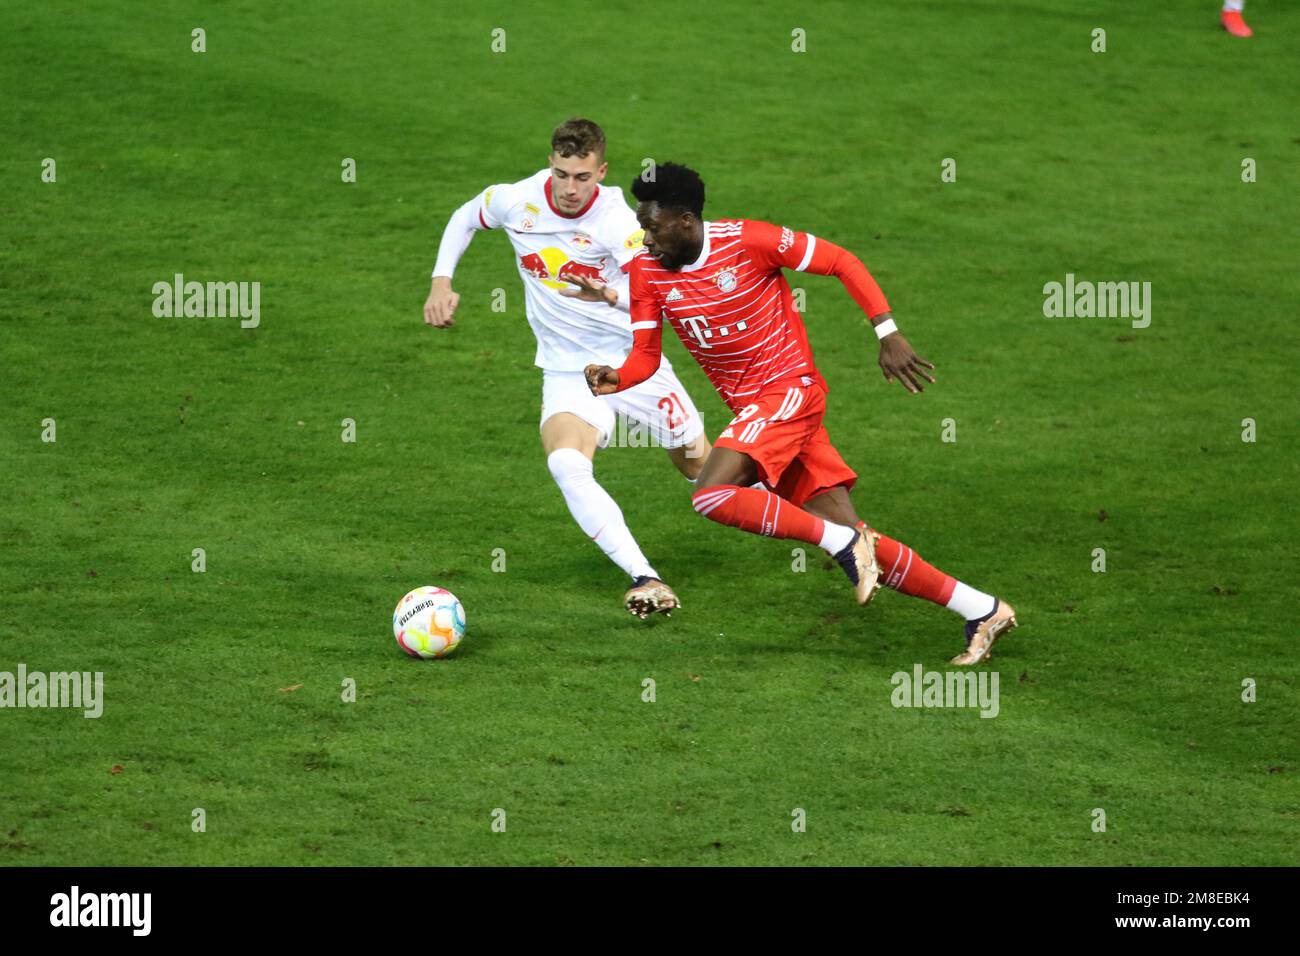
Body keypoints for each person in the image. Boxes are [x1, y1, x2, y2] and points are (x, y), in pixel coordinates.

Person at [581, 163, 1018, 664]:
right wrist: (617, 378)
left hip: (790, 391)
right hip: (762, 416)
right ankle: (982, 609)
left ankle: (840, 544)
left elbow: (842, 261)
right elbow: (646, 357)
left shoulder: (750, 241)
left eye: (653, 227)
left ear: (684, 221)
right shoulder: (646, 273)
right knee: (862, 544)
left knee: (710, 496)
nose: (645, 238)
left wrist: (887, 332)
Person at [425, 121, 711, 618]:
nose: (571, 188)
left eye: (582, 177)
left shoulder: (621, 226)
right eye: (562, 174)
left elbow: (657, 299)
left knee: (706, 477)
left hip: (631, 361)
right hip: (566, 369)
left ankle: (824, 521)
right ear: (551, 165)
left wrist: (606, 293)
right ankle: (647, 577)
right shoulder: (517, 200)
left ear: (601, 171)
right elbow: (465, 217)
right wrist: (441, 281)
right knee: (566, 463)